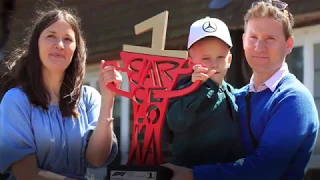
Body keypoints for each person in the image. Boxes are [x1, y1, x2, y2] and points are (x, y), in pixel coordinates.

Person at [163, 0, 319, 179]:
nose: (259, 47)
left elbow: (265, 169)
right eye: (253, 37)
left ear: (289, 44)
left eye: (270, 38)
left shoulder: (293, 99)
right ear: (244, 40)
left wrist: (194, 175)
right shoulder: (235, 96)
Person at [0, 8, 121, 180]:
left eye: (68, 39)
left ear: (75, 49)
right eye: (51, 36)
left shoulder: (90, 98)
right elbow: (26, 174)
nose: (60, 45)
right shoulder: (16, 100)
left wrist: (108, 99)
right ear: (36, 45)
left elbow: (97, 159)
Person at [164, 17, 246, 168]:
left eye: (220, 57)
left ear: (229, 60)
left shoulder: (232, 93)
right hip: (191, 173)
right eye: (206, 58)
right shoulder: (183, 91)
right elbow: (176, 122)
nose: (214, 64)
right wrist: (194, 89)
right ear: (191, 63)